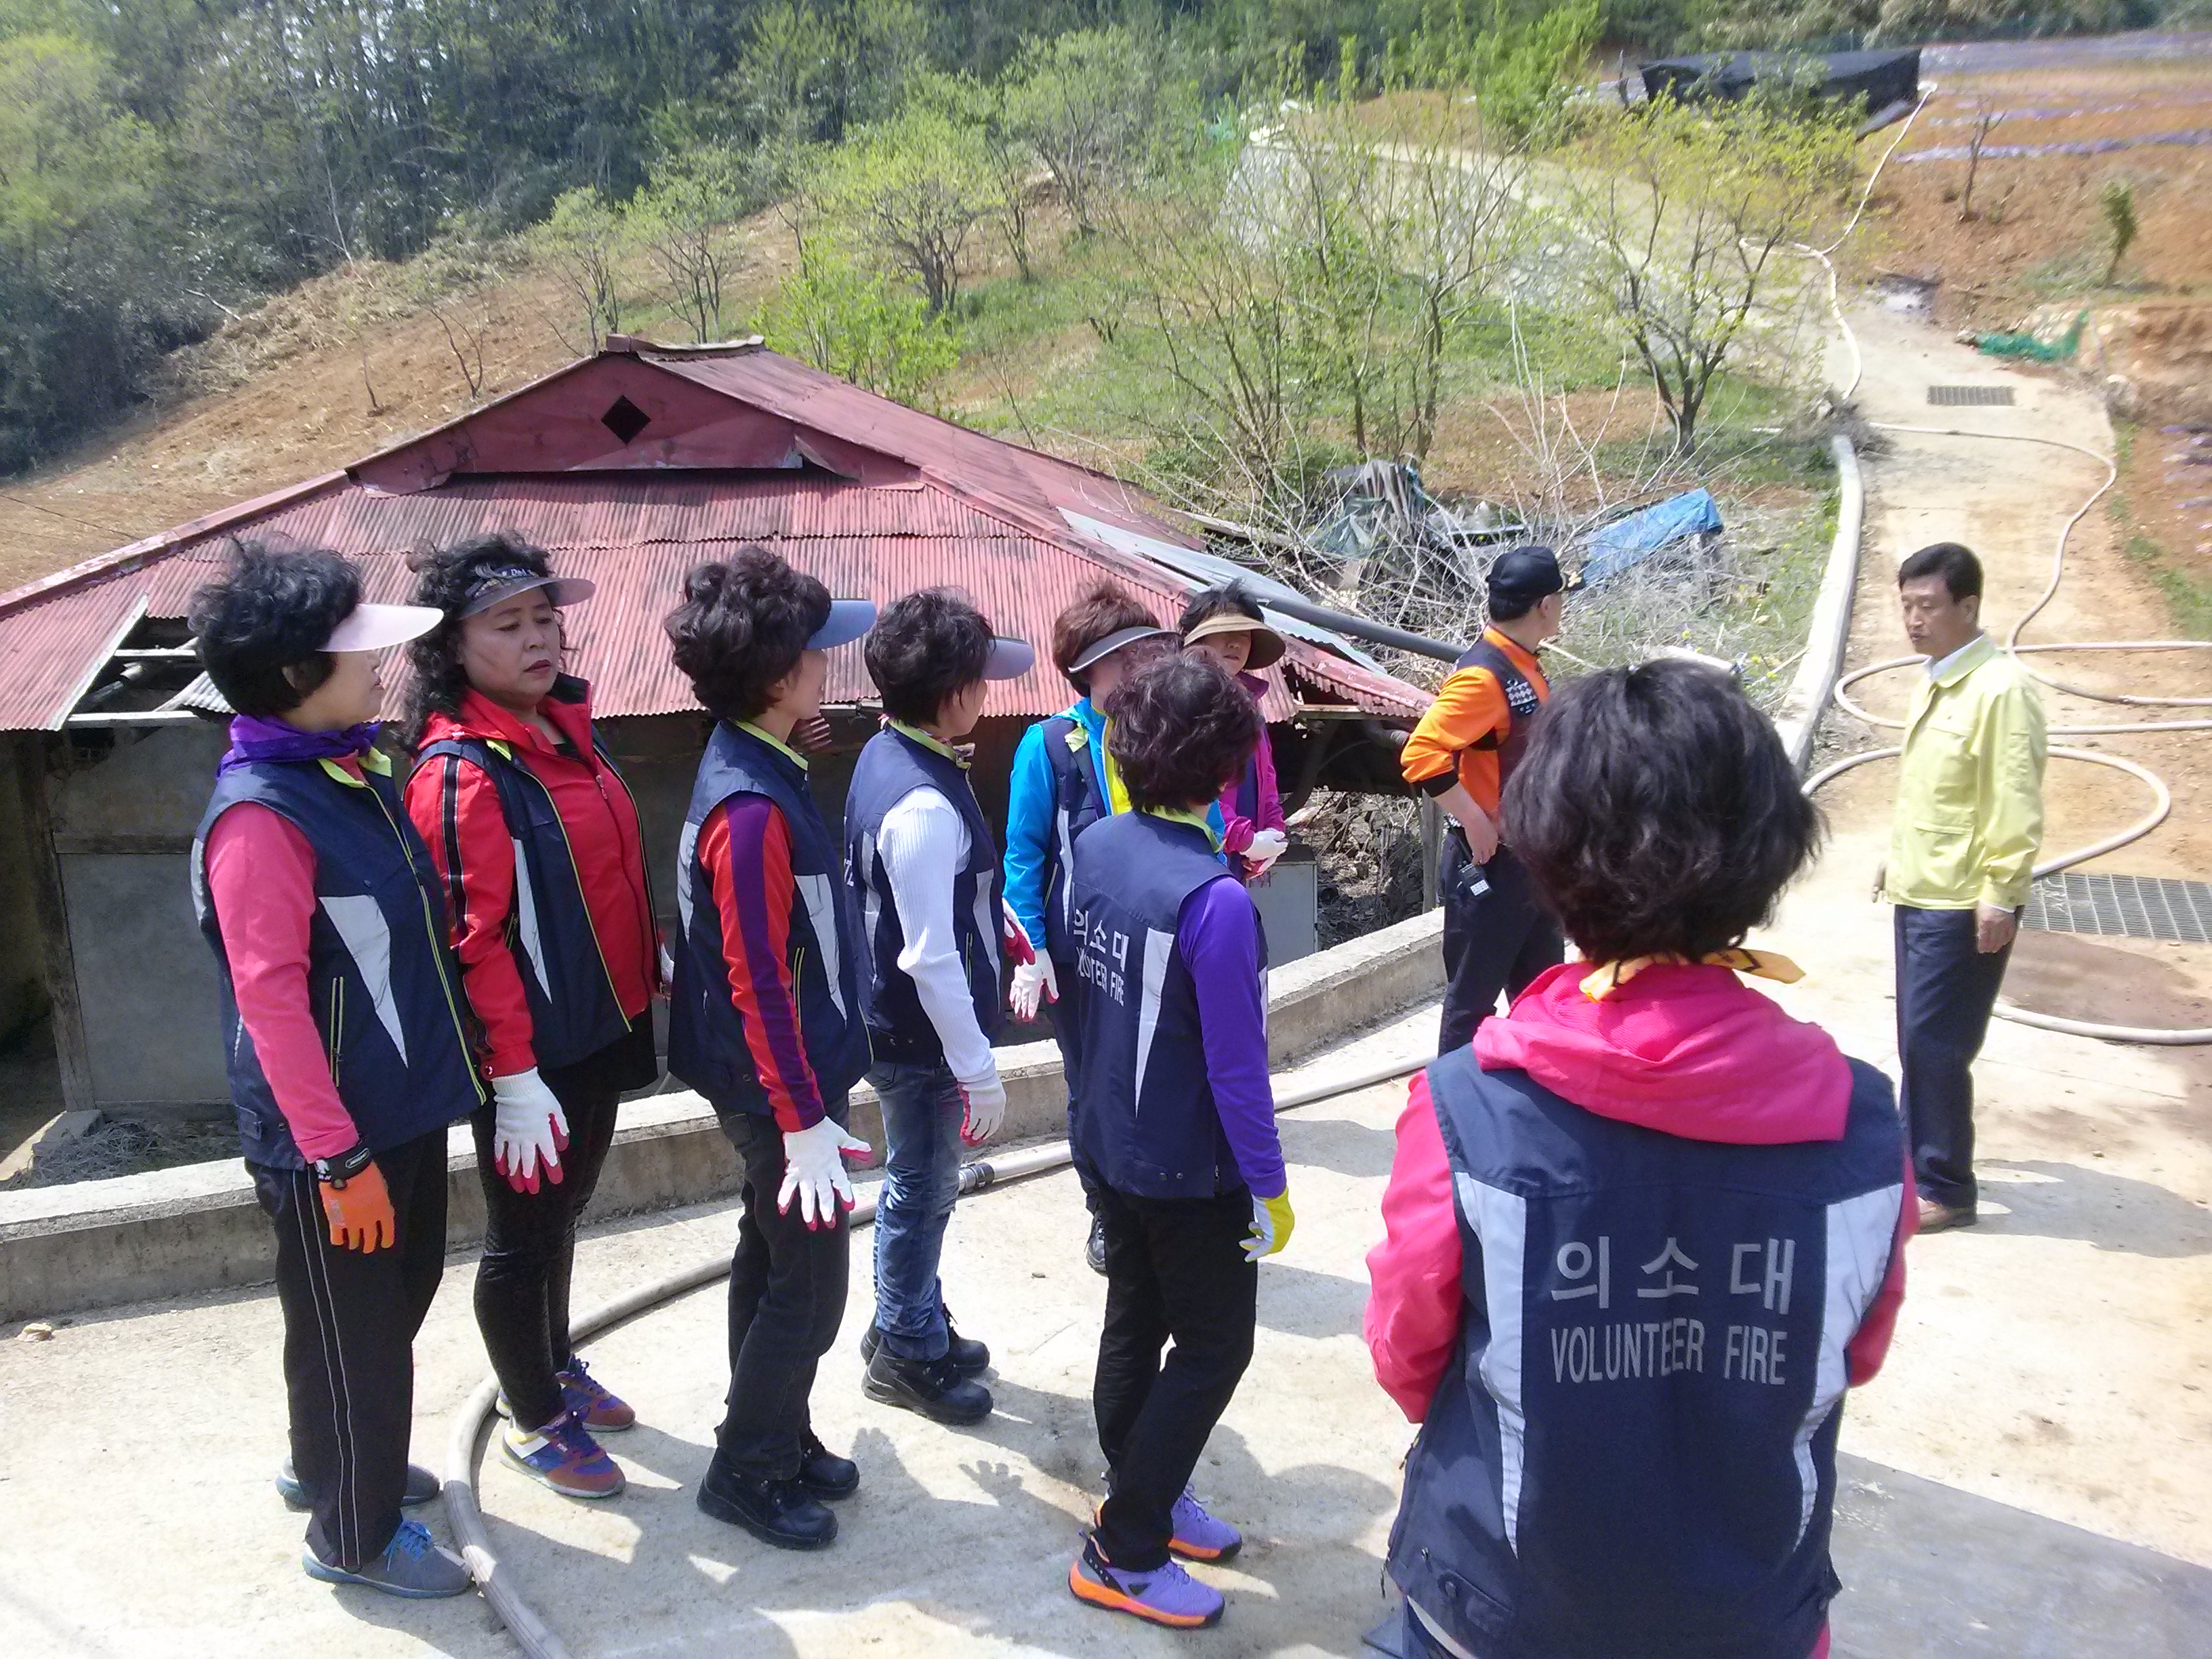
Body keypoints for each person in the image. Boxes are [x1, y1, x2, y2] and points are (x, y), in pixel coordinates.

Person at [1366, 659, 1912, 1659]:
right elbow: (1853, 1354)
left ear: (1548, 857)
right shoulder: (1867, 1126)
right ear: (1769, 857)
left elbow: (1407, 1355)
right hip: (1749, 1616)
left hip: (1497, 1604)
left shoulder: (1468, 1110)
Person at [187, 542, 480, 1599]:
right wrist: (337, 1158)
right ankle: (351, 1535)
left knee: (366, 1312)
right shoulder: (263, 816)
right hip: (338, 1137)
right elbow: (271, 1005)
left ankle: (331, 1464)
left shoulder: (347, 770)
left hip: (397, 1106)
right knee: (361, 1335)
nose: (381, 665)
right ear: (294, 677)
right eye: (356, 650)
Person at [400, 535, 660, 1501]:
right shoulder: (461, 773)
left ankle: (553, 1365)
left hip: (602, 1022)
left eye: (545, 618)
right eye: (507, 624)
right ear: (452, 646)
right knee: (521, 1235)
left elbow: (604, 877)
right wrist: (511, 1075)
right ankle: (533, 1417)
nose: (538, 638)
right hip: (533, 1053)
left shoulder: (564, 732)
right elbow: (472, 942)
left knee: (566, 1211)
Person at [1065, 653, 1292, 1632]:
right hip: (1188, 1167)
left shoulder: (1097, 845)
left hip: (1108, 1139)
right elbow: (1240, 1073)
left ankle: (1141, 1494)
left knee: (1134, 1316)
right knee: (1213, 1348)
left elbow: (1081, 999)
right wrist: (1270, 1188)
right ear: (1227, 769)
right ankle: (1125, 1548)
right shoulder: (1217, 902)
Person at [663, 550, 878, 1551]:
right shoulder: (749, 813)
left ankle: (775, 1430)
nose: (829, 667)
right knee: (812, 1289)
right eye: (816, 656)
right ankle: (746, 1470)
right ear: (780, 676)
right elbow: (757, 978)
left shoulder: (753, 761)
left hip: (778, 1079)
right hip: (778, 1090)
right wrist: (800, 1121)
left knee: (770, 1254)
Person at [844, 589, 1034, 1425]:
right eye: (981, 680)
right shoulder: (922, 803)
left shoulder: (890, 750)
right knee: (921, 1190)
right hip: (919, 1039)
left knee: (919, 1185)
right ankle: (906, 1350)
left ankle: (909, 1316)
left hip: (904, 1027)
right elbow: (928, 955)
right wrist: (977, 1068)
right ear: (953, 694)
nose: (988, 693)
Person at [1002, 581, 1176, 1277]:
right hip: (1081, 954)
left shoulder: (1164, 733)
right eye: (1121, 656)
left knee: (1158, 1076)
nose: (1138, 667)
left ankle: (1157, 1201)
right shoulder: (1047, 744)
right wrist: (1033, 949)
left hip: (1156, 945)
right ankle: (1106, 1211)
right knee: (1093, 1085)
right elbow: (1023, 854)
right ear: (1086, 667)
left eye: (1144, 652)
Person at [1884, 542, 2047, 1234]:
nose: (1914, 620)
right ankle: (1909, 1163)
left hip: (1961, 898)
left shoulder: (2001, 690)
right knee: (1915, 1040)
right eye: (1906, 606)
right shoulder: (1939, 677)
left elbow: (2013, 798)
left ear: (1969, 606)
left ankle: (1946, 1185)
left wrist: (2001, 892)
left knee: (1938, 1044)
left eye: (1928, 606)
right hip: (1921, 885)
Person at [1399, 545, 1575, 1054]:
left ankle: (1538, 1094)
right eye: (1561, 598)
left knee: (1544, 997)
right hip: (1492, 865)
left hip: (1530, 860)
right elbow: (1421, 754)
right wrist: (1475, 820)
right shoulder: (1483, 676)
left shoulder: (1522, 664)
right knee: (1471, 1005)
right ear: (1545, 605)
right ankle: (1453, 1100)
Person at [1177, 582, 1290, 884]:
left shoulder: (1250, 704)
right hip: (1194, 857)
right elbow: (1186, 787)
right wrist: (1244, 839)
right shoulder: (1182, 703)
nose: (1236, 644)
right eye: (1225, 632)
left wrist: (1273, 833)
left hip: (1237, 862)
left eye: (1245, 635)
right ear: (1198, 638)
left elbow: (1266, 779)